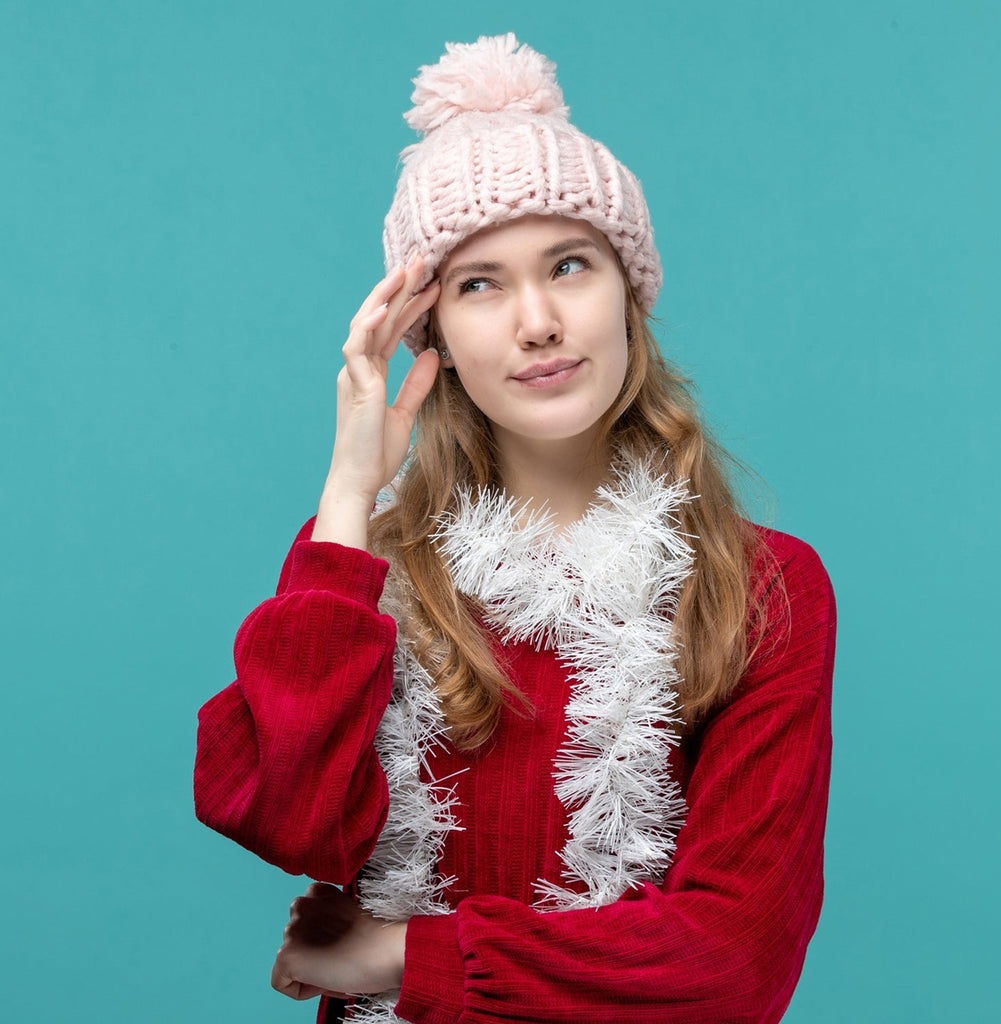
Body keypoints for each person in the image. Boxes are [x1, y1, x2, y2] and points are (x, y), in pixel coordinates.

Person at [194, 33, 836, 1024]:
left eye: (569, 266)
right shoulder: (361, 567)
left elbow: (734, 961)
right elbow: (291, 821)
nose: (536, 321)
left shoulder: (760, 586)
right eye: (479, 284)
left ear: (628, 290)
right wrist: (350, 492)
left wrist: (401, 956)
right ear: (434, 333)